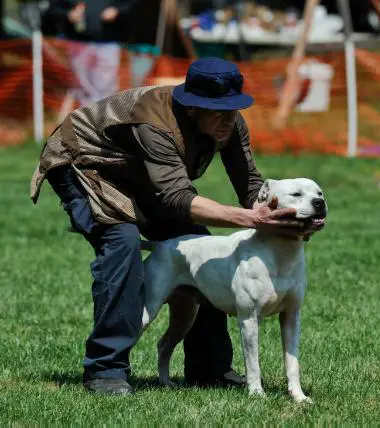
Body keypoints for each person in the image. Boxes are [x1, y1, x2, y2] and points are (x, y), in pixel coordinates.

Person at [30, 57, 311, 395]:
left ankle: (210, 369)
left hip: (139, 172)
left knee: (202, 250)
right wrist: (250, 219)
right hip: (86, 164)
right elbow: (178, 197)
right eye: (217, 111)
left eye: (233, 109)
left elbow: (251, 186)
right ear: (193, 108)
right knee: (122, 244)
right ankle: (106, 369)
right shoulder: (155, 123)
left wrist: (282, 218)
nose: (228, 119)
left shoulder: (230, 124)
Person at [46, 1, 136, 119]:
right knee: (82, 87)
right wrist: (68, 14)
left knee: (106, 87)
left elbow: (130, 4)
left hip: (107, 43)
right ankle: (87, 122)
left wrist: (117, 10)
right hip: (78, 44)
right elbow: (54, 9)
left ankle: (101, 122)